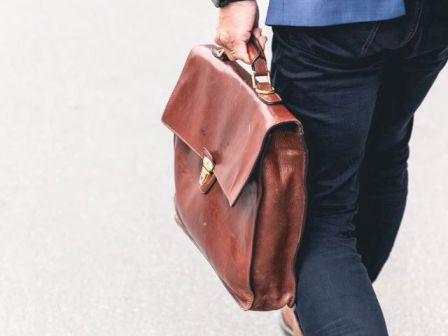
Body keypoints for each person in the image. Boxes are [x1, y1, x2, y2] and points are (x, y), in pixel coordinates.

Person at [211, 0, 448, 335]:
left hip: (331, 16)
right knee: (380, 156)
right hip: (433, 19)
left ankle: (333, 306)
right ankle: (328, 304)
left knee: (317, 212)